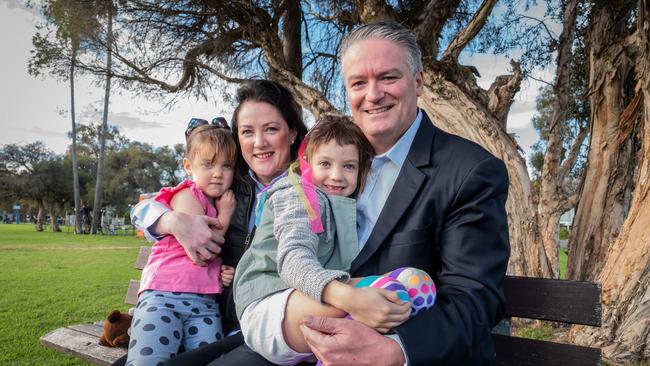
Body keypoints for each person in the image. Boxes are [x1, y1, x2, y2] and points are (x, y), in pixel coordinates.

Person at [135, 21, 510, 365]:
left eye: (388, 77)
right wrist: (165, 217)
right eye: (358, 83)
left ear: (419, 82)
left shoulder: (469, 171)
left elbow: (474, 295)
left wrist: (396, 351)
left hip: (387, 344)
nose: (373, 94)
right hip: (292, 325)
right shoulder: (326, 161)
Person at [112, 79, 308, 366]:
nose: (259, 142)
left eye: (271, 129)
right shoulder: (228, 185)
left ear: (291, 133)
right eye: (247, 132)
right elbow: (143, 209)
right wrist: (172, 220)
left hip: (268, 328)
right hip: (212, 317)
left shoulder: (309, 188)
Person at [234, 116, 436, 365]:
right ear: (307, 163)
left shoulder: (341, 202)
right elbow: (292, 261)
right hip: (269, 304)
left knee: (412, 283)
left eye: (349, 166)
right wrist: (349, 297)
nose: (337, 175)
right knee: (381, 294)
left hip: (309, 296)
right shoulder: (298, 195)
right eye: (325, 163)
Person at [126, 118, 237, 365]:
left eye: (227, 166)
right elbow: (206, 244)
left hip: (205, 304)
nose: (218, 173)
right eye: (208, 164)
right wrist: (226, 215)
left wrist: (221, 271)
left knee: (209, 361)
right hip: (164, 296)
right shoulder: (186, 194)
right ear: (188, 166)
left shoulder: (212, 201)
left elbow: (208, 261)